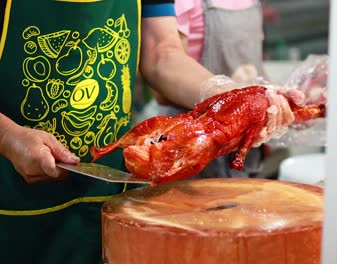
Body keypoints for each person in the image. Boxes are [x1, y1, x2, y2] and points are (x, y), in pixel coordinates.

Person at [0, 0, 300, 263]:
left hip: (106, 191)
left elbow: (161, 53)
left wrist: (231, 97)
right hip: (11, 202)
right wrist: (8, 136)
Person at [142, 0, 271, 179]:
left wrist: (278, 100)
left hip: (243, 144)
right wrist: (233, 97)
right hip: (192, 145)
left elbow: (254, 65)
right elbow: (163, 78)